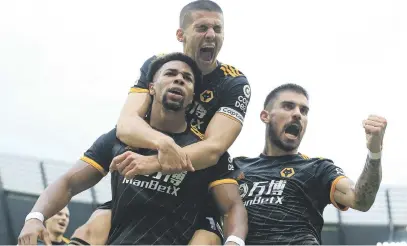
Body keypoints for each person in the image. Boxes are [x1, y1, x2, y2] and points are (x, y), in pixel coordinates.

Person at [70, 0, 251, 245]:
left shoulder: (233, 82)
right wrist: (163, 143)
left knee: (206, 240)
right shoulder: (157, 64)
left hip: (193, 186)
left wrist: (154, 162)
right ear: (181, 34)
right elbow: (127, 124)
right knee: (92, 227)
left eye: (217, 29)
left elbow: (213, 149)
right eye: (202, 28)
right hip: (141, 187)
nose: (211, 35)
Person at [17, 53, 247, 245]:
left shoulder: (203, 152)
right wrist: (35, 217)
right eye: (170, 74)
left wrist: (234, 242)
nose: (179, 80)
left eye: (187, 78)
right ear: (151, 88)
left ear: (192, 98)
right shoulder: (118, 139)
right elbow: (68, 182)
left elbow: (232, 206)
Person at [195, 83, 387, 245]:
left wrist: (374, 152)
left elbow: (361, 200)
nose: (298, 114)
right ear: (265, 116)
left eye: (304, 111)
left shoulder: (317, 168)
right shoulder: (235, 167)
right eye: (288, 106)